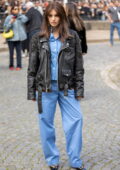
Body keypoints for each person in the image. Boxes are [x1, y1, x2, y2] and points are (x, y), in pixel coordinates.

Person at [27, 2, 85, 170]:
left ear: (62, 17)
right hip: (44, 89)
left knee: (76, 120)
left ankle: (75, 160)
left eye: (56, 15)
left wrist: (79, 89)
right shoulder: (38, 38)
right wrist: (31, 91)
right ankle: (52, 159)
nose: (53, 19)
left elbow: (79, 66)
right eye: (50, 16)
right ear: (46, 17)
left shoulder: (72, 37)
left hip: (68, 88)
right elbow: (32, 67)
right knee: (46, 123)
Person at [3, 5, 28, 70]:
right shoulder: (8, 17)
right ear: (12, 10)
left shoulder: (20, 17)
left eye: (17, 9)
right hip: (11, 39)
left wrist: (19, 14)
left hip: (18, 38)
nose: (16, 10)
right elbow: (5, 28)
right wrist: (10, 22)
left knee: (19, 53)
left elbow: (26, 19)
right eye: (14, 9)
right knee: (11, 53)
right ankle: (11, 65)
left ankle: (19, 65)